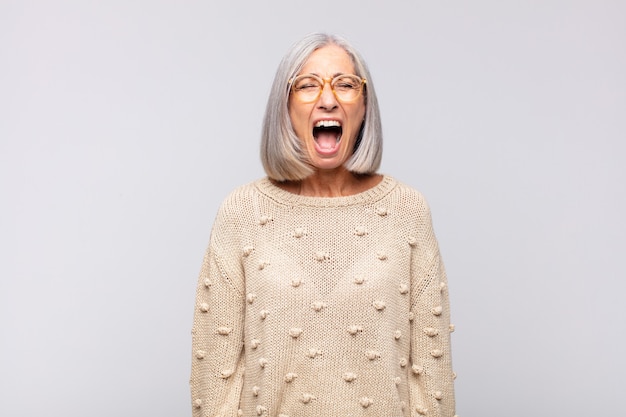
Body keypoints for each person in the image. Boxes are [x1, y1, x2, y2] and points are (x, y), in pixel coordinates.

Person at [190, 33, 457, 417]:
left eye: (346, 85)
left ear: (364, 106)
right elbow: (214, 381)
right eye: (307, 85)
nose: (328, 99)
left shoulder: (407, 210)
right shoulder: (241, 212)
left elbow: (432, 382)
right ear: (285, 106)